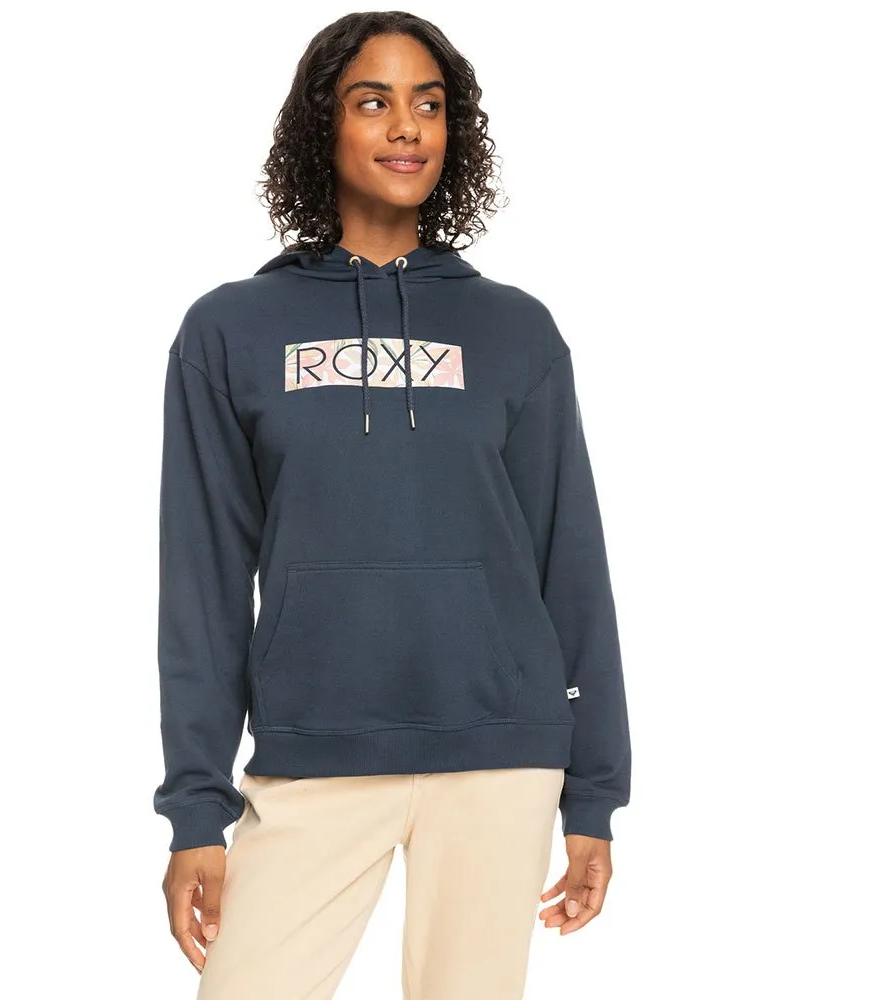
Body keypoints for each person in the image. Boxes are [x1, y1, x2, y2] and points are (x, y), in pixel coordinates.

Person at [153, 11, 631, 998]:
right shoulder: (231, 330)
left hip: (499, 754)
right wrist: (195, 808)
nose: (406, 127)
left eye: (429, 104)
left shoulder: (515, 330)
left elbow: (568, 560)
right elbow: (201, 580)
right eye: (373, 102)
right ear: (321, 124)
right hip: (315, 750)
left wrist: (594, 793)